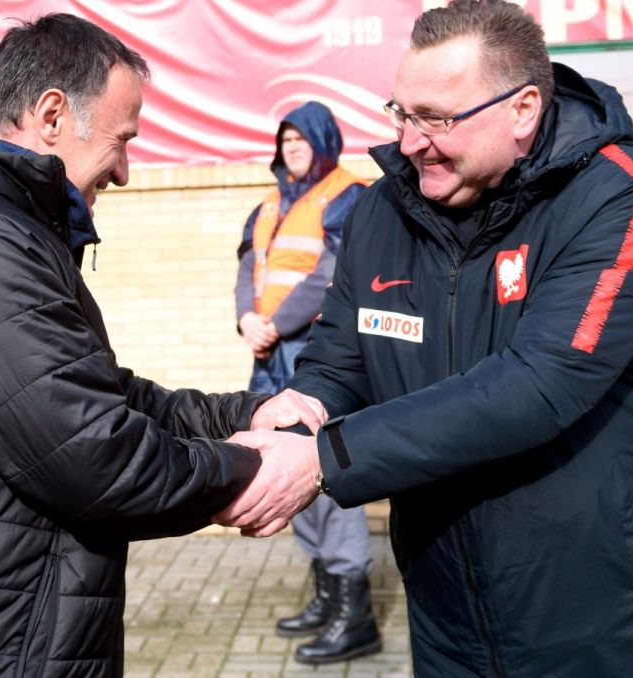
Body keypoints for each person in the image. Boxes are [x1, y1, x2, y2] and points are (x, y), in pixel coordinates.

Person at [216, 1, 633, 675]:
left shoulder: (620, 198)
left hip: (623, 626)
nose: (411, 141)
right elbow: (341, 356)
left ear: (523, 109)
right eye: (402, 113)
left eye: (437, 118)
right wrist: (302, 413)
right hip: (454, 627)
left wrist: (326, 459)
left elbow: (538, 384)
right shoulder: (383, 208)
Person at [0, 14, 320, 676]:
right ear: (52, 116)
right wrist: (251, 469)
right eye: (122, 140)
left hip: (0, 637)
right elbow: (95, 458)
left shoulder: (0, 230)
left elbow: (98, 393)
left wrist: (241, 414)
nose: (122, 171)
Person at [233, 101, 379, 664]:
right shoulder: (268, 205)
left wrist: (276, 323)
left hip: (320, 356)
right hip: (269, 354)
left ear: (324, 141)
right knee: (282, 464)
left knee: (326, 472)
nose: (292, 148)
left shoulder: (348, 195)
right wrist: (248, 317)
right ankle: (326, 594)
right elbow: (250, 266)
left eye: (302, 139)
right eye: (285, 140)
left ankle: (355, 613)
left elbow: (334, 274)